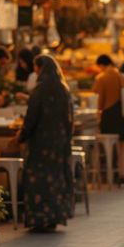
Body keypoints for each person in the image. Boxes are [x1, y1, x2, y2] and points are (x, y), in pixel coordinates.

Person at [17, 55, 74, 233]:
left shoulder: (39, 90)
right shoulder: (64, 89)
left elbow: (31, 117)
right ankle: (54, 217)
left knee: (38, 179)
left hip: (41, 142)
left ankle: (39, 218)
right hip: (59, 142)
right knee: (56, 178)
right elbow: (70, 118)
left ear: (40, 68)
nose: (34, 70)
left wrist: (22, 135)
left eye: (35, 67)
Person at [93, 54, 124, 186]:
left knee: (109, 147)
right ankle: (122, 174)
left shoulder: (101, 78)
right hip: (122, 115)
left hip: (108, 116)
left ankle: (109, 176)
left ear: (102, 65)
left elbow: (100, 101)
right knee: (123, 146)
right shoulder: (122, 75)